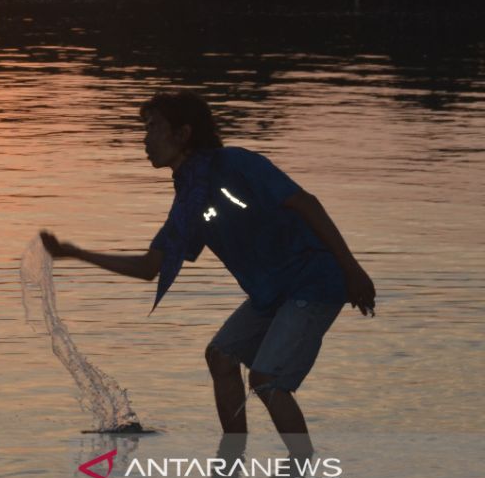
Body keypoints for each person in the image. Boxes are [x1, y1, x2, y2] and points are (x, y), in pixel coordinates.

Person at [40, 90, 375, 456]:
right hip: (272, 293)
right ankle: (230, 462)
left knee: (267, 380)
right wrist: (75, 253)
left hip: (314, 281)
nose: (144, 138)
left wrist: (353, 270)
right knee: (221, 356)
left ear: (183, 134)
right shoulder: (188, 201)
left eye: (153, 127)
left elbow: (304, 203)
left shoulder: (237, 164)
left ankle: (302, 468)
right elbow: (150, 267)